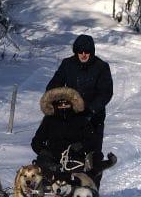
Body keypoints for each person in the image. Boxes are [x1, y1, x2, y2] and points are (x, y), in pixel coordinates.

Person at [45, 34, 113, 171]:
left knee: (93, 154)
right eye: (80, 51)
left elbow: (106, 93)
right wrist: (57, 100)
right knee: (66, 149)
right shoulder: (67, 65)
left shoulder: (101, 67)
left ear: (91, 52)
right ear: (76, 51)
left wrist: (91, 110)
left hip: (93, 116)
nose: (83, 55)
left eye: (87, 52)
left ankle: (93, 179)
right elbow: (54, 85)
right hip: (71, 114)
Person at [31, 87, 100, 179]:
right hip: (52, 158)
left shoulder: (80, 119)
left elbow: (93, 140)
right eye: (60, 104)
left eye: (66, 103)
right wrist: (43, 151)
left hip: (75, 156)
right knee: (41, 167)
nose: (63, 105)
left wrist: (80, 146)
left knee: (82, 171)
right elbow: (36, 142)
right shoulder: (49, 120)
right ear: (54, 105)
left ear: (72, 104)